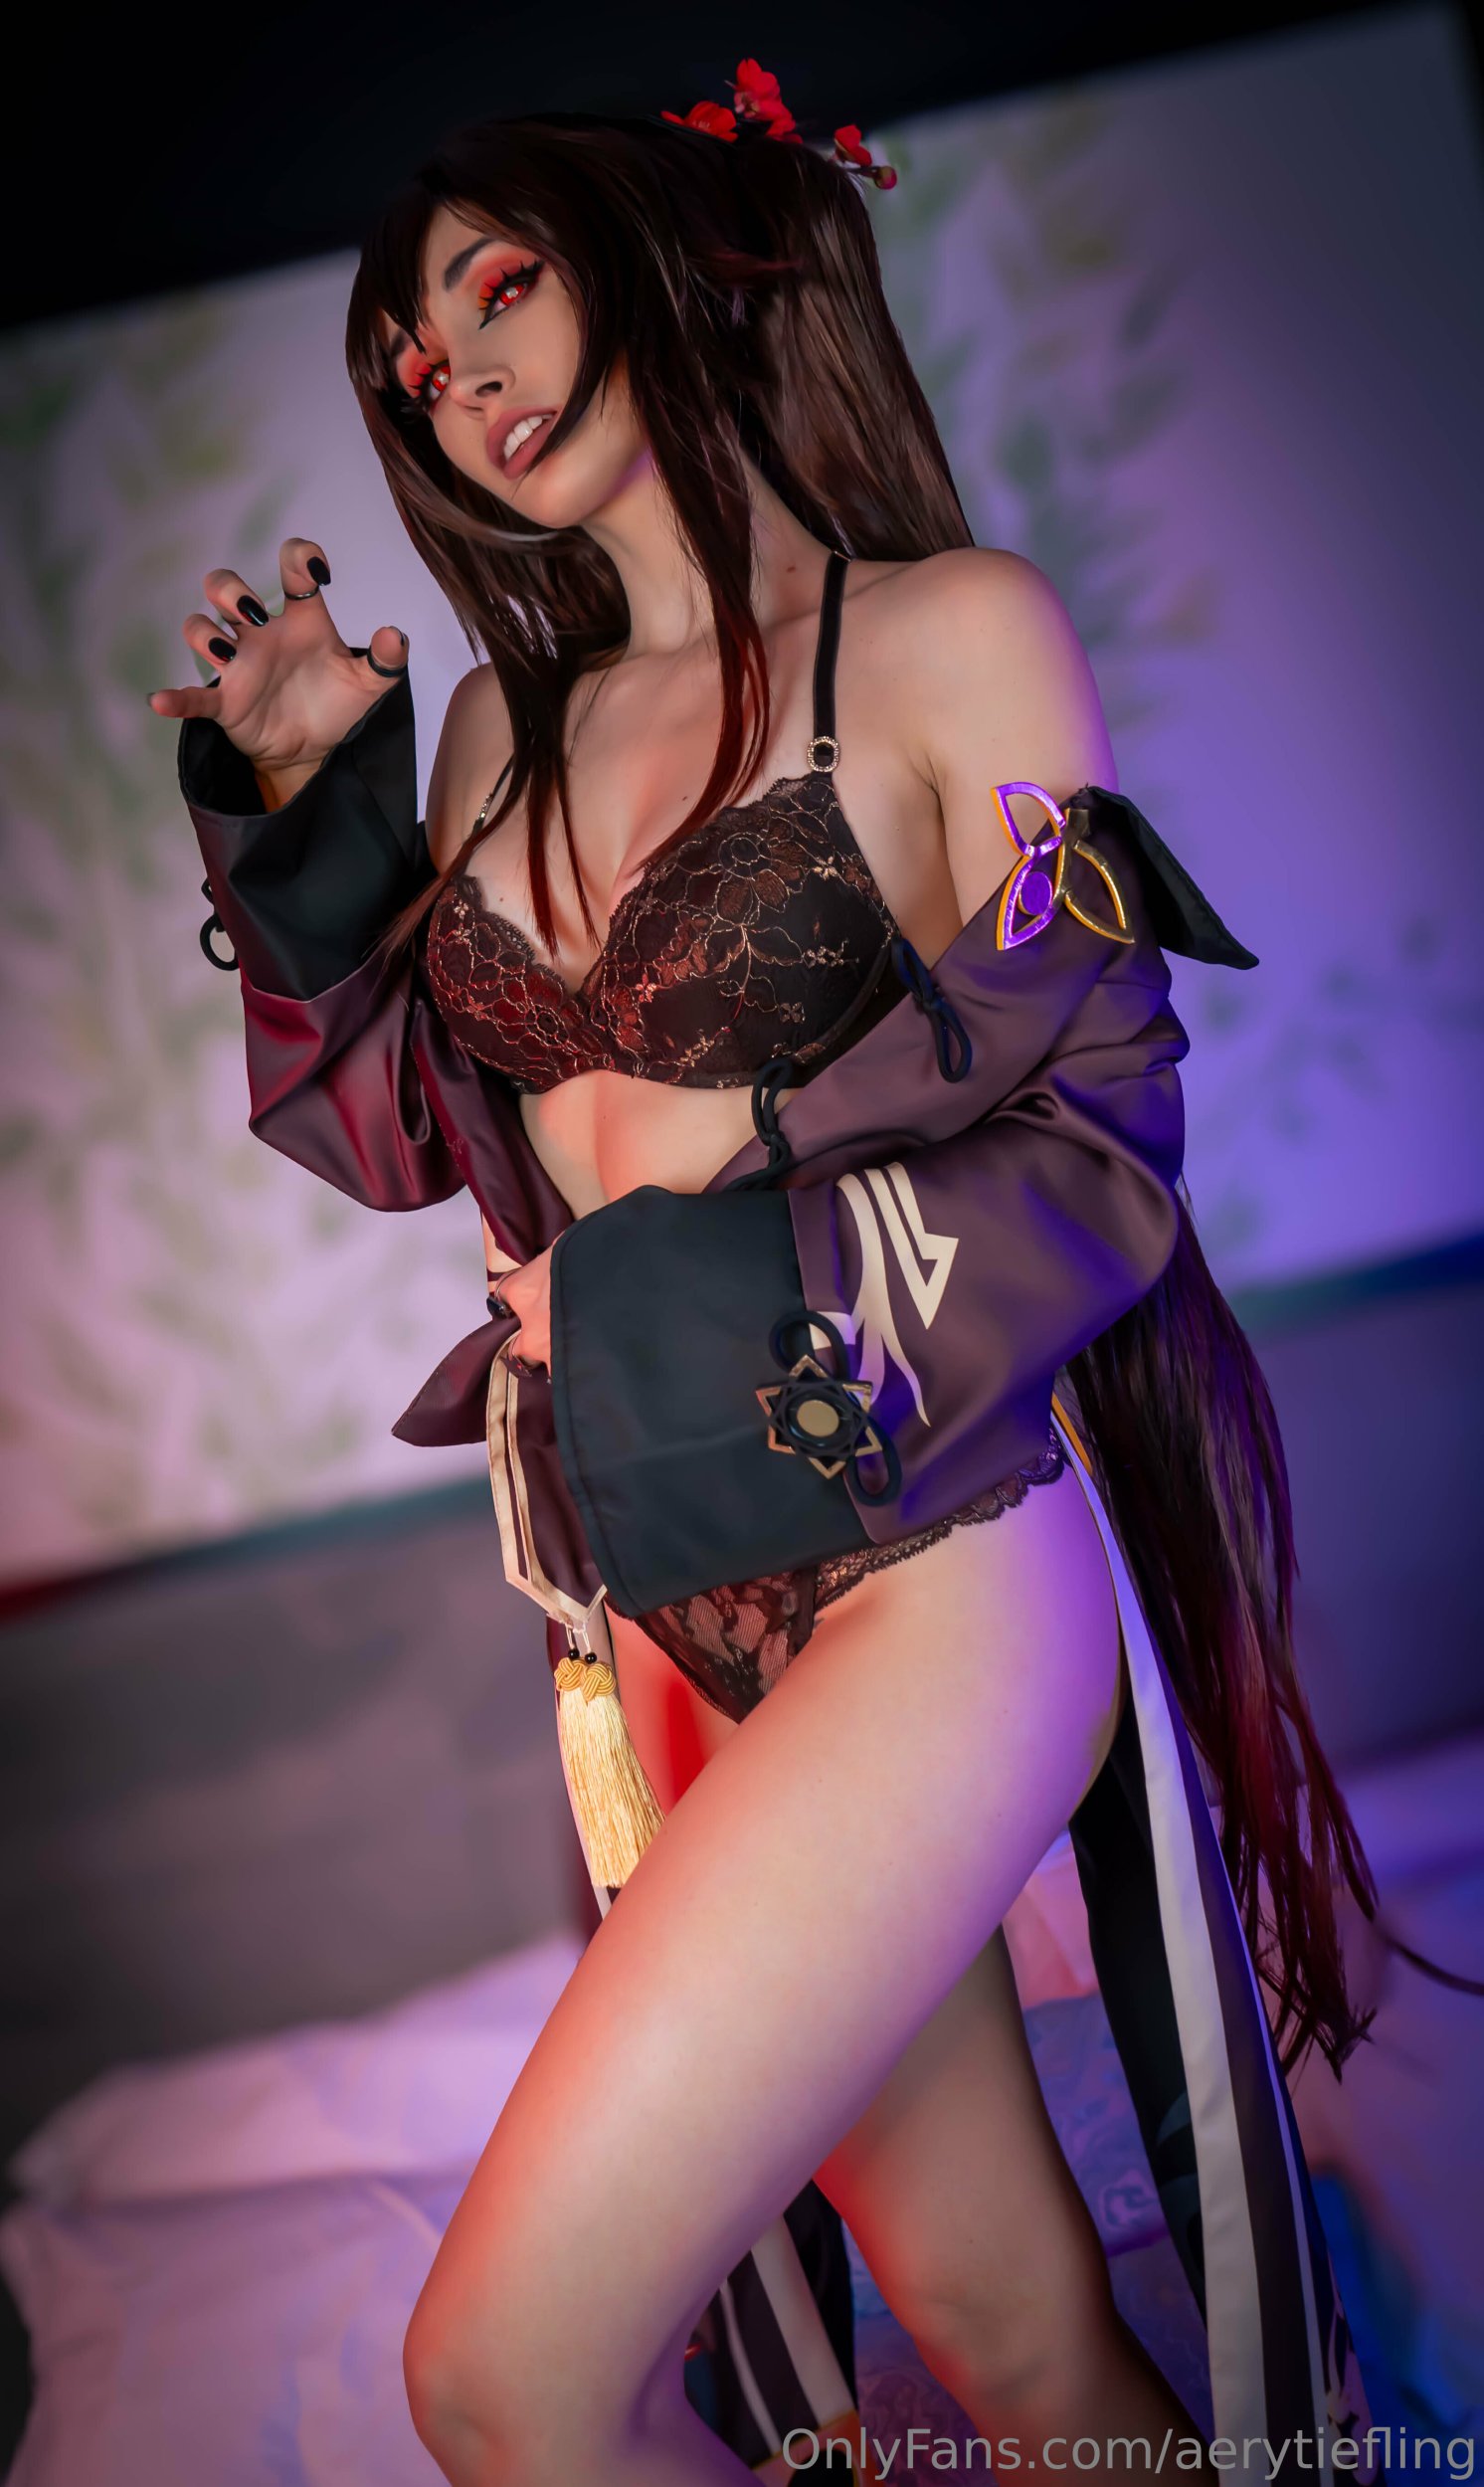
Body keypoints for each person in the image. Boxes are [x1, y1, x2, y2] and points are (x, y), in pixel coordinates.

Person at [150, 80, 1475, 2487]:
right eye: (414, 357)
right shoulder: (492, 726)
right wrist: (315, 824)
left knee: (496, 2376)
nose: (458, 370)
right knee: (1007, 2342)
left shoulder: (952, 637)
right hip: (660, 1615)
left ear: (658, 252)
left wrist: (675, 1262)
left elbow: (1099, 1121)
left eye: (497, 285)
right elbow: (421, 1141)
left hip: (929, 1565)